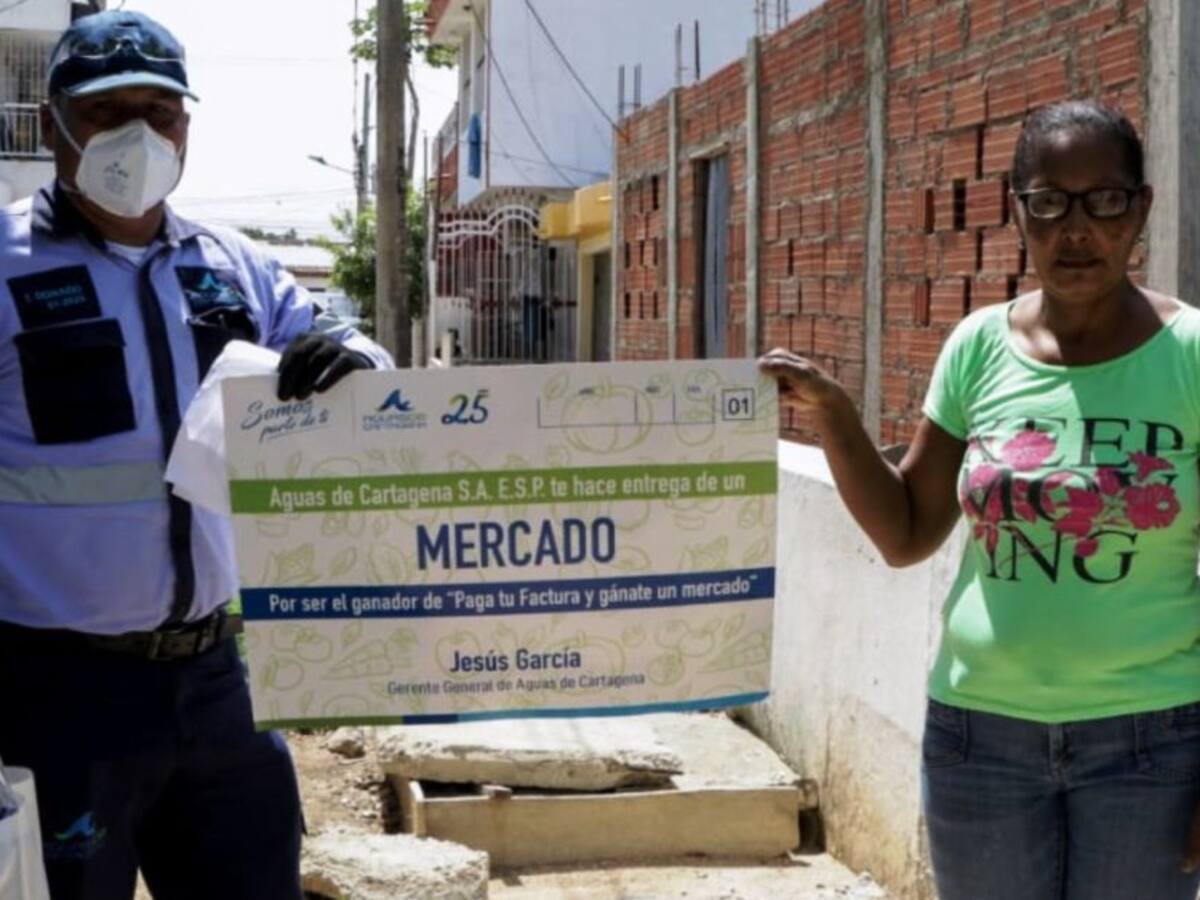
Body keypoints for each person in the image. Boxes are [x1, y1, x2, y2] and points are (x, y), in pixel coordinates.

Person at [761, 99, 1200, 899]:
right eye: (1049, 202)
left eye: (1103, 200)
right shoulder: (975, 348)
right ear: (1017, 209)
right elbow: (908, 533)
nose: (1076, 228)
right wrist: (835, 417)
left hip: (1152, 742)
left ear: (1140, 208)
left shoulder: (1191, 355)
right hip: (981, 741)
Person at [0, 11, 390, 899]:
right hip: (55, 694)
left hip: (222, 685)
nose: (139, 135)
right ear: (55, 118)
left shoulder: (234, 265)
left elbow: (355, 349)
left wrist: (354, 358)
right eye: (108, 112)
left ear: (187, 126)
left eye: (162, 111)